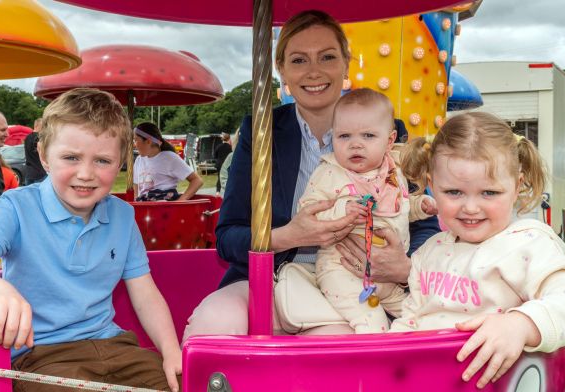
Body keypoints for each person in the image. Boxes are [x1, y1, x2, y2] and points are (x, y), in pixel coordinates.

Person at [183, 10, 441, 340]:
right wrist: (290, 235)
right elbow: (227, 237)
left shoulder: (384, 130)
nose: (314, 71)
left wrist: (401, 266)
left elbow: (423, 221)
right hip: (270, 279)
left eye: (327, 57)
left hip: (354, 282)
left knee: (340, 345)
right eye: (299, 60)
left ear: (346, 63)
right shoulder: (262, 132)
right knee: (214, 324)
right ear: (282, 70)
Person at [0, 89, 182, 392]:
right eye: (71, 157)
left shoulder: (123, 216)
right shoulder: (17, 207)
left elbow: (146, 295)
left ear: (121, 162)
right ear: (44, 157)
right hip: (40, 356)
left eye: (102, 161)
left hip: (117, 347)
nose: (85, 173)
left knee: (182, 383)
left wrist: (171, 350)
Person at [391, 112, 565, 388]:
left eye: (489, 193)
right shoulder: (430, 252)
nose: (470, 207)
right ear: (432, 186)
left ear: (517, 187)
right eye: (453, 192)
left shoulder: (529, 243)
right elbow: (410, 321)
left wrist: (521, 325)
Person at [298, 88, 437, 333]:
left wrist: (420, 207)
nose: (355, 144)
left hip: (387, 275)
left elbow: (399, 208)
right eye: (344, 136)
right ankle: (371, 369)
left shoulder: (395, 172)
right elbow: (308, 211)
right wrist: (342, 209)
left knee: (421, 319)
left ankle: (409, 368)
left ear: (390, 140)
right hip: (342, 269)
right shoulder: (329, 173)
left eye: (368, 135)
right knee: (373, 325)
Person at [132, 122, 203, 201]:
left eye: (135, 140)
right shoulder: (139, 160)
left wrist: (180, 202)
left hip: (164, 208)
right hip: (145, 208)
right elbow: (136, 187)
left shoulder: (169, 158)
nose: (134, 144)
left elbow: (197, 180)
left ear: (148, 141)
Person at [23, 118, 47, 185]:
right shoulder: (40, 138)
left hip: (29, 173)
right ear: (40, 125)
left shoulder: (26, 138)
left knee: (29, 195)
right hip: (40, 173)